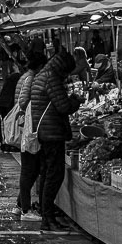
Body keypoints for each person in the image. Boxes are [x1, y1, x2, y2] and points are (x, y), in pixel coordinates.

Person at [29, 49, 81, 232]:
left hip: (44, 132)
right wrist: (76, 99)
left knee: (47, 173)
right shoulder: (52, 78)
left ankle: (46, 215)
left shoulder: (42, 75)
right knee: (54, 175)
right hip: (52, 133)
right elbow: (63, 106)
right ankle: (48, 218)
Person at [13, 49, 48, 222]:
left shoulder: (27, 77)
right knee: (29, 170)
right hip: (29, 129)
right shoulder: (30, 78)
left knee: (31, 170)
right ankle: (25, 209)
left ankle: (20, 205)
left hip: (29, 128)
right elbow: (22, 101)